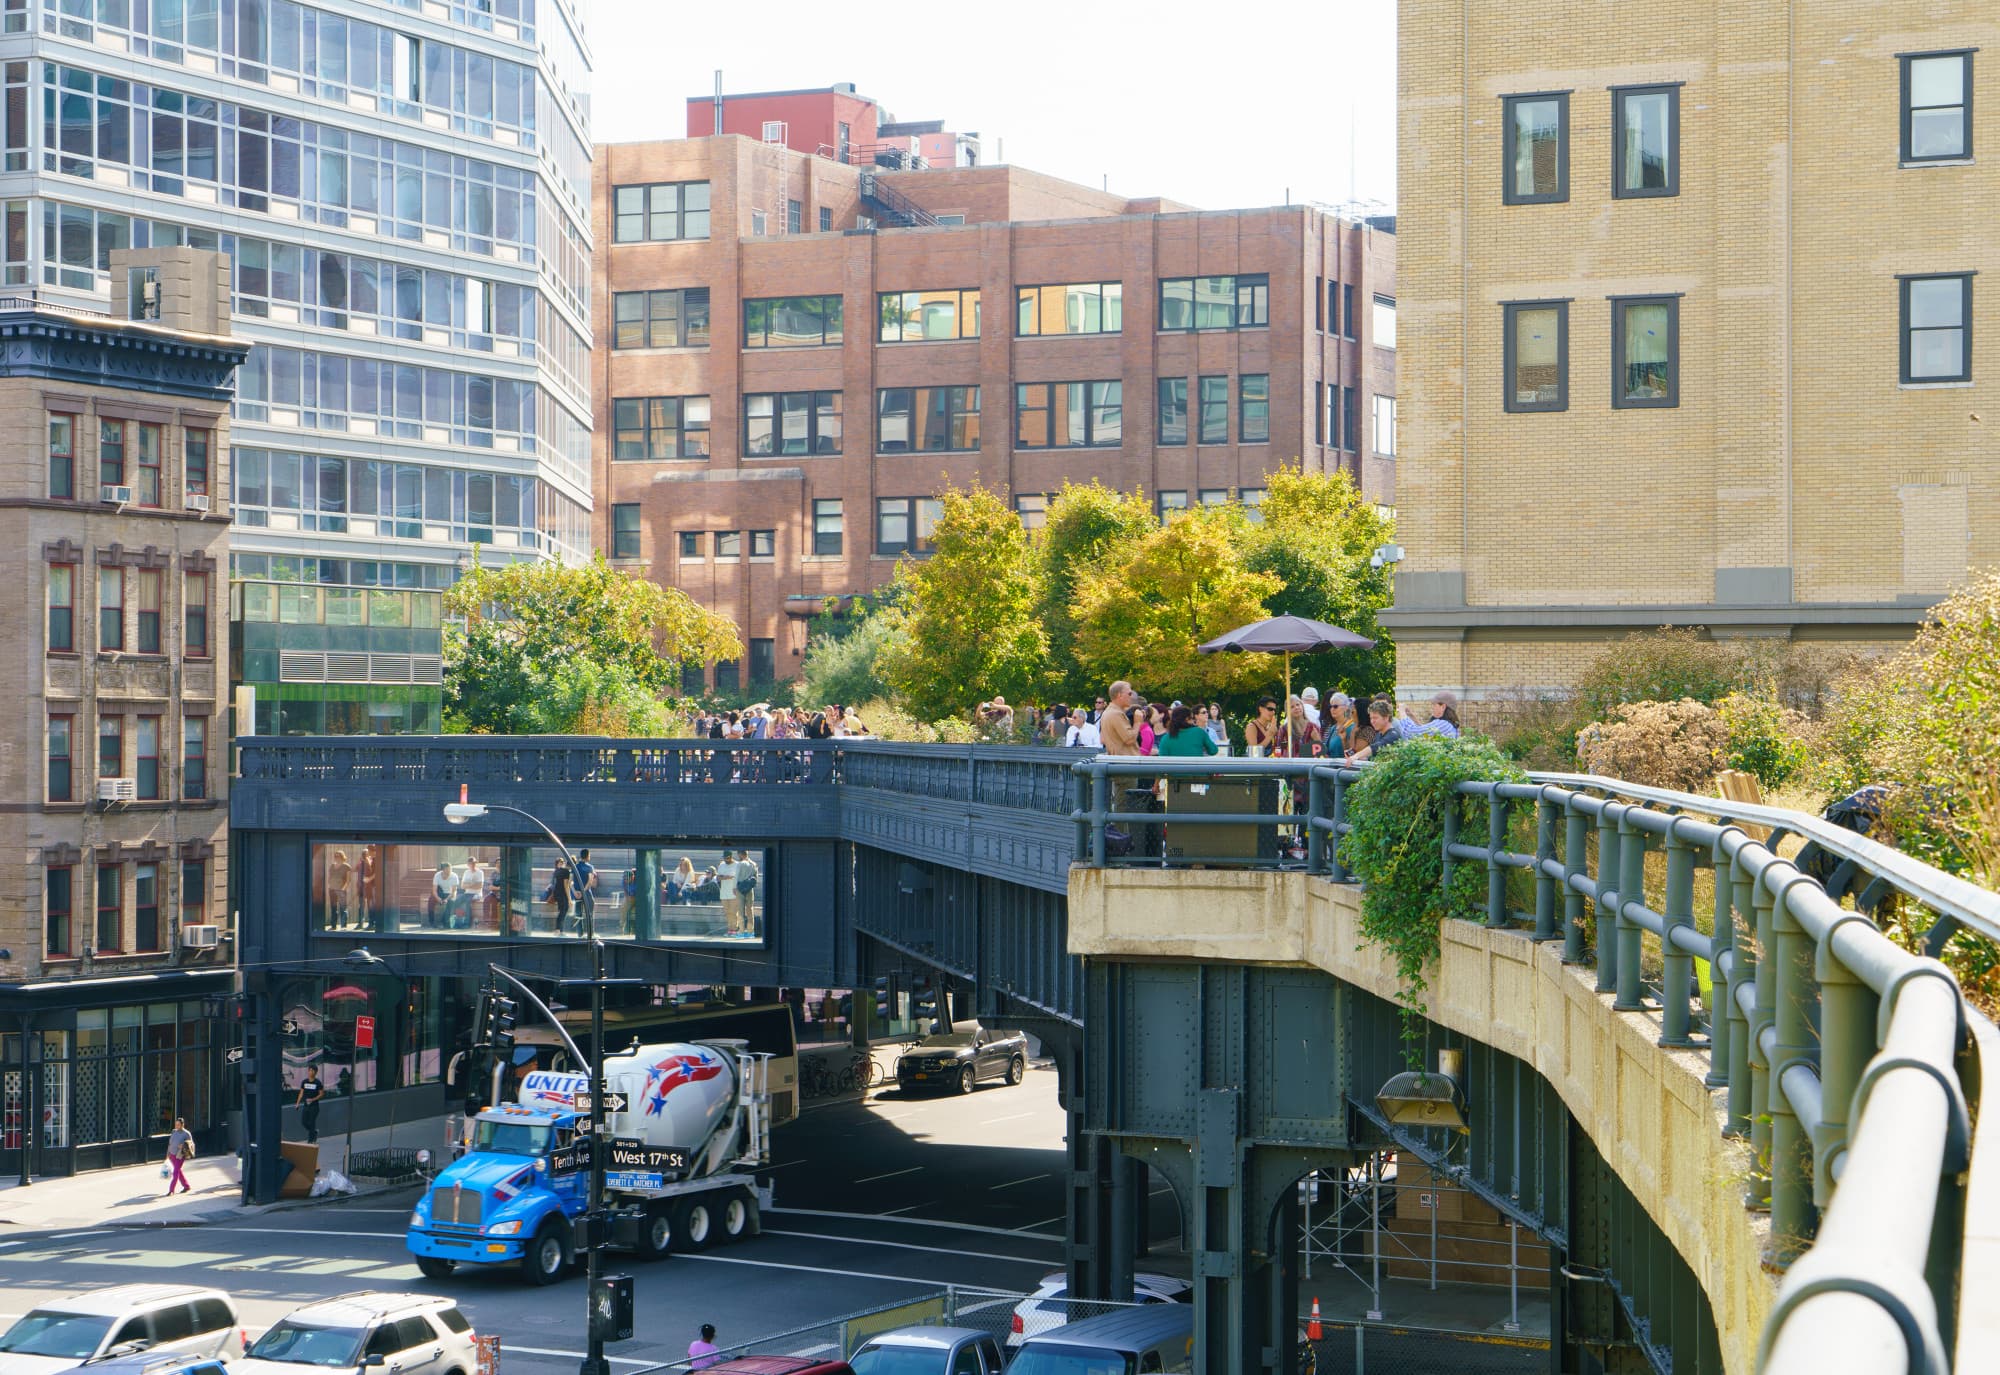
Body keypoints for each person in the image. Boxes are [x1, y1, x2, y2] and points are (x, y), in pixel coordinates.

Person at [1399, 690, 1463, 738]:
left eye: (1434, 704)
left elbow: (1410, 733)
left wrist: (1402, 711)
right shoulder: (1447, 724)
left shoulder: (1443, 724)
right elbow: (1424, 731)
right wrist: (1411, 716)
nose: (1432, 707)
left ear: (1443, 707)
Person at [1100, 682, 1140, 755]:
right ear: (1120, 695)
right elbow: (1130, 739)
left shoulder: (1109, 712)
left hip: (1120, 759)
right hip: (1125, 760)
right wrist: (1137, 722)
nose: (1131, 697)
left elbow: (1102, 739)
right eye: (1129, 694)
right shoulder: (1116, 714)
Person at [731, 851, 760, 935]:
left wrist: (734, 887)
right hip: (749, 889)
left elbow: (736, 876)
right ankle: (751, 931)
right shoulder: (754, 864)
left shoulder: (740, 864)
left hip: (740, 888)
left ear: (740, 854)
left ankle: (741, 931)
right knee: (750, 910)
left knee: (741, 910)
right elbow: (756, 877)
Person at [164, 1116, 194, 1195]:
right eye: (176, 1124)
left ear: (182, 1125)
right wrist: (167, 1154)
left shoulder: (186, 1133)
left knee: (175, 1172)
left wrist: (183, 1145)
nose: (176, 1126)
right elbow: (170, 1144)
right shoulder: (174, 1131)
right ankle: (186, 1186)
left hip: (180, 1155)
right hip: (172, 1154)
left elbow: (191, 1144)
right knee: (178, 1171)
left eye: (178, 1125)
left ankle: (171, 1190)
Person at [327, 849, 354, 929]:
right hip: (332, 889)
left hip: (341, 890)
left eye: (338, 856)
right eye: (335, 856)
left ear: (342, 857)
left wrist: (343, 889)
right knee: (333, 908)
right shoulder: (332, 866)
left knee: (343, 908)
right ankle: (333, 926)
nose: (336, 858)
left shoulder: (347, 867)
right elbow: (329, 877)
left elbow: (348, 880)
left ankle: (343, 926)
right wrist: (329, 885)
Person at [297, 1068, 325, 1143]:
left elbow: (321, 1094)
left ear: (315, 1072)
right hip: (306, 1106)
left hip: (314, 1106)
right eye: (309, 1070)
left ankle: (310, 1141)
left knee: (312, 1122)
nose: (311, 1072)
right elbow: (301, 1093)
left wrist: (313, 1099)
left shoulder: (318, 1082)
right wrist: (297, 1103)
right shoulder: (304, 1082)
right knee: (304, 1122)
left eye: (313, 1071)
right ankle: (314, 1132)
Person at [572, 848, 598, 930]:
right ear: (587, 856)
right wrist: (583, 891)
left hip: (577, 894)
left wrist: (575, 892)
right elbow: (590, 881)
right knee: (590, 913)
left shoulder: (575, 866)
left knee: (578, 914)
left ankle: (580, 934)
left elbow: (570, 882)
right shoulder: (590, 867)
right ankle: (590, 932)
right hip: (586, 893)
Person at [717, 850, 742, 933]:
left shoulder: (737, 865)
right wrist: (725, 877)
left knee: (733, 912)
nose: (726, 860)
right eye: (724, 858)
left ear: (731, 857)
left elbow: (740, 878)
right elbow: (718, 878)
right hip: (724, 892)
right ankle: (730, 929)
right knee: (727, 912)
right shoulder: (721, 865)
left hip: (734, 892)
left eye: (727, 858)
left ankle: (734, 929)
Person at [548, 856, 573, 933]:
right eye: (561, 862)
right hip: (562, 894)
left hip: (558, 893)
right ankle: (558, 929)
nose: (562, 863)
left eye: (563, 862)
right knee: (563, 911)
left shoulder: (557, 871)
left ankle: (560, 930)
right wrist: (569, 899)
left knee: (562, 911)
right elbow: (566, 886)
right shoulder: (566, 872)